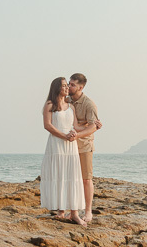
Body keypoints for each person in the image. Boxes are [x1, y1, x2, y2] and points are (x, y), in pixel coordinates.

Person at [40, 77, 87, 226]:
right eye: (64, 86)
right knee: (59, 175)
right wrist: (64, 136)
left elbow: (75, 126)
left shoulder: (70, 106)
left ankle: (74, 213)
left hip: (70, 145)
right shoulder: (49, 105)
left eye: (68, 86)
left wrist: (89, 128)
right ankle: (61, 209)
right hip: (56, 144)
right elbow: (47, 125)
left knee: (72, 175)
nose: (67, 88)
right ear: (56, 88)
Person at [68, 73, 101, 223]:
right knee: (70, 178)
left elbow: (94, 126)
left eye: (73, 85)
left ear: (81, 87)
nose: (69, 87)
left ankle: (88, 212)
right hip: (68, 145)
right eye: (69, 83)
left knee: (86, 179)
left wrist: (78, 136)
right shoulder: (66, 100)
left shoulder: (89, 104)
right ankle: (70, 210)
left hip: (84, 145)